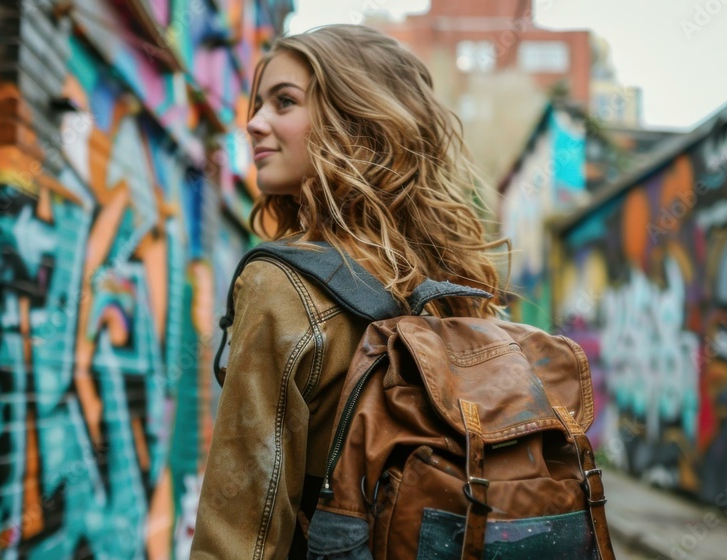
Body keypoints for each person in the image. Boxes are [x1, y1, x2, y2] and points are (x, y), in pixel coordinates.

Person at [190, 24, 506, 559]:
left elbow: (241, 532)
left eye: (284, 102)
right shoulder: (456, 288)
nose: (253, 122)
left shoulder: (280, 283)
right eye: (258, 103)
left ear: (352, 122)